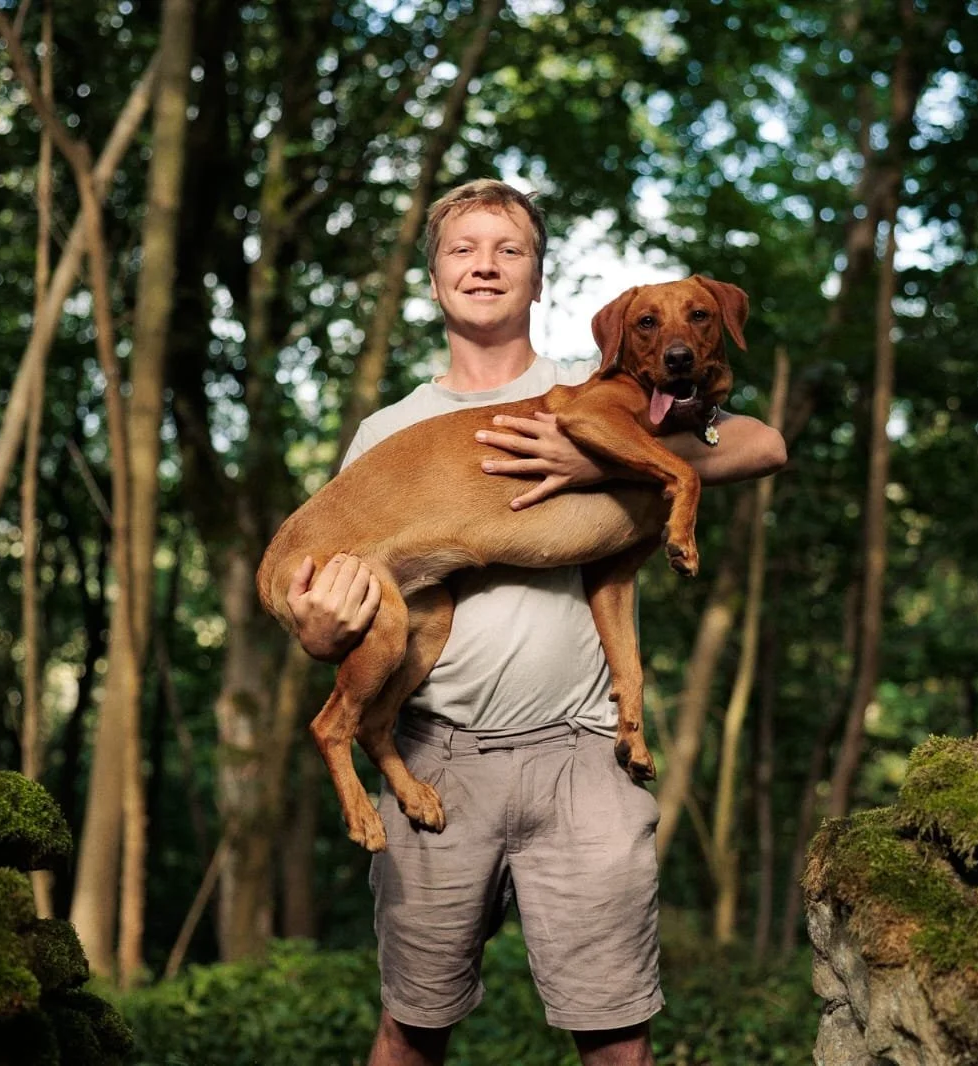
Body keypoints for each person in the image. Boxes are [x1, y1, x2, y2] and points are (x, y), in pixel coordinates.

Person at [286, 179, 787, 1066]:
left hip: (582, 753)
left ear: (539, 277)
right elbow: (332, 622)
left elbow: (760, 443)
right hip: (438, 749)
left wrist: (591, 462)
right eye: (463, 250)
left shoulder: (596, 387)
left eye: (508, 249)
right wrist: (319, 629)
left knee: (618, 1032)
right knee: (412, 1026)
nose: (485, 265)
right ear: (434, 277)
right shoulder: (387, 431)